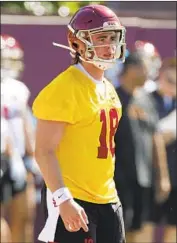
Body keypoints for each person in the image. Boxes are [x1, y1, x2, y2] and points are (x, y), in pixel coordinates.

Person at [32, 4, 126, 243]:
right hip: (73, 198)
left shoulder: (107, 88)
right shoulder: (63, 89)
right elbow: (44, 151)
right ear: (76, 43)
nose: (108, 45)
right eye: (100, 38)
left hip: (108, 198)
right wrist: (63, 199)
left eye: (112, 37)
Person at [114, 52, 170, 243]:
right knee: (116, 229)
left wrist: (162, 176)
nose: (149, 73)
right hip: (115, 178)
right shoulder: (112, 98)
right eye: (145, 67)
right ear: (131, 69)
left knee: (136, 229)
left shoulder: (147, 100)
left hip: (143, 177)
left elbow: (156, 138)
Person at [1, 34, 37, 242]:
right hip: (3, 157)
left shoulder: (18, 89)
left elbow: (24, 119)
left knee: (24, 218)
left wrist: (32, 155)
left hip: (19, 159)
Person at [149, 57, 176, 243]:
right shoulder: (146, 100)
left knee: (173, 227)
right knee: (146, 224)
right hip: (151, 177)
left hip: (175, 178)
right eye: (170, 80)